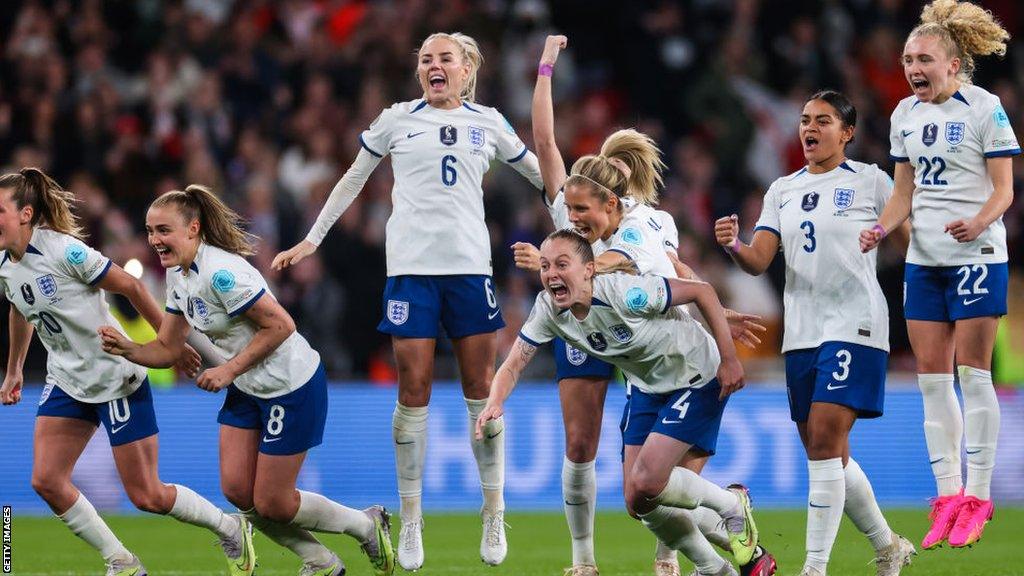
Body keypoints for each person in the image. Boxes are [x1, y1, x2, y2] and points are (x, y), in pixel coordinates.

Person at [271, 32, 546, 570]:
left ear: (467, 68)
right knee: (412, 387)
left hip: (469, 269)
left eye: (445, 58)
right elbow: (352, 178)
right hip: (410, 272)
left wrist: (572, 231)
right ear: (419, 72)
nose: (434, 66)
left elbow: (542, 175)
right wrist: (313, 239)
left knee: (480, 392)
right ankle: (412, 517)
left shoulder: (488, 122)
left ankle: (494, 509)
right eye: (425, 59)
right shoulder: (397, 118)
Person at [520, 35, 774, 576]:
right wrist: (545, 68)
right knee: (586, 444)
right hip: (585, 323)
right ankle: (587, 561)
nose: (576, 208)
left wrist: (712, 310)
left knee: (653, 478)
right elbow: (543, 140)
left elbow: (674, 274)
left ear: (612, 193)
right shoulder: (572, 206)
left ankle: (679, 556)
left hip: (643, 331)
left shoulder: (645, 223)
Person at [98, 185, 395, 576]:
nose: (154, 240)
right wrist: (128, 348)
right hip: (248, 387)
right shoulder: (179, 276)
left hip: (290, 386)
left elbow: (282, 325)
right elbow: (169, 347)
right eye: (150, 230)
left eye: (163, 230)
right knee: (239, 492)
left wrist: (227, 369)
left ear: (193, 228)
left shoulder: (222, 273)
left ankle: (365, 525)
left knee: (274, 503)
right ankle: (320, 562)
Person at [0, 168, 254, 576]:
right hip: (67, 379)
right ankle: (122, 561)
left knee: (147, 495)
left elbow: (132, 287)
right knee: (46, 480)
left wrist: (169, 343)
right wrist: (13, 369)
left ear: (25, 214)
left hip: (115, 375)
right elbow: (18, 303)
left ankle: (230, 527)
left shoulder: (65, 251)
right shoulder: (5, 264)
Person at [479, 229, 762, 576]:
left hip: (695, 373)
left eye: (562, 264)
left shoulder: (627, 293)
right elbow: (512, 364)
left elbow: (702, 292)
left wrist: (729, 359)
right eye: (545, 266)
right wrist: (494, 402)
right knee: (637, 500)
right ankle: (716, 569)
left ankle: (732, 506)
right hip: (648, 385)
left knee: (648, 481)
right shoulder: (549, 309)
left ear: (589, 270)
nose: (551, 274)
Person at [715, 91, 917, 576]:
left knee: (826, 440)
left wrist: (904, 254)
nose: (809, 128)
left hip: (855, 321)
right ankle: (888, 544)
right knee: (826, 451)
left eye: (822, 121)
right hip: (802, 331)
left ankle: (814, 567)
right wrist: (735, 246)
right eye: (805, 120)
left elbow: (909, 242)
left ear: (846, 132)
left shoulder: (871, 181)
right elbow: (760, 260)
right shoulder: (782, 189)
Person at [859, 0, 1017, 550]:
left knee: (974, 376)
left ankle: (978, 494)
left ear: (953, 64)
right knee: (932, 381)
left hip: (976, 258)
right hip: (924, 262)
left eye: (923, 58)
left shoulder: (986, 108)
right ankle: (947, 496)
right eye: (907, 59)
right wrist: (881, 230)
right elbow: (903, 194)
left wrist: (977, 223)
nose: (912, 68)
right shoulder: (905, 115)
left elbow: (1005, 191)